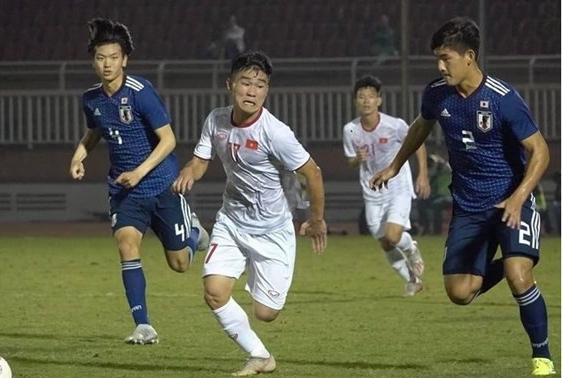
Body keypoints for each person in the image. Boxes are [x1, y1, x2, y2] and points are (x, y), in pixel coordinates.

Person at [369, 17, 555, 376]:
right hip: (469, 207)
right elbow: (421, 125)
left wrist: (519, 197)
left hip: (510, 202)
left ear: (469, 56)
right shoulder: (437, 93)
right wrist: (395, 165)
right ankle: (515, 264)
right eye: (437, 58)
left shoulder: (503, 99)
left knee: (519, 276)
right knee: (460, 292)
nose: (440, 66)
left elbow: (541, 151)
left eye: (446, 58)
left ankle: (542, 356)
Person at [172, 50, 327, 376]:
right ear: (230, 84)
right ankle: (260, 356)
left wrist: (316, 219)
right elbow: (201, 160)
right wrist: (189, 170)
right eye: (246, 83)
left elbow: (312, 171)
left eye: (260, 85)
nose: (253, 91)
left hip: (273, 229)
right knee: (214, 292)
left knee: (265, 313)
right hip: (231, 222)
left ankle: (259, 300)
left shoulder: (276, 132)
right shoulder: (216, 120)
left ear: (267, 90)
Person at [69, 18, 209, 346]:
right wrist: (79, 155)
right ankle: (143, 325)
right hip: (124, 191)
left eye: (113, 57)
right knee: (126, 245)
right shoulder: (91, 98)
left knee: (180, 265)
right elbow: (93, 132)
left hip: (161, 185)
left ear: (125, 60)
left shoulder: (141, 92)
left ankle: (193, 231)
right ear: (94, 60)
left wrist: (140, 171)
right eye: (101, 57)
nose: (107, 64)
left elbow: (169, 141)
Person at [342, 75, 430, 296]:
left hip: (397, 187)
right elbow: (350, 161)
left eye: (371, 96)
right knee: (385, 243)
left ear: (379, 100)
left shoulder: (395, 125)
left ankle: (411, 249)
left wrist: (423, 174)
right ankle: (412, 280)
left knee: (393, 235)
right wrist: (357, 159)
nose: (366, 101)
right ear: (355, 101)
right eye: (361, 97)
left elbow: (417, 142)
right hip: (371, 192)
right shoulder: (350, 130)